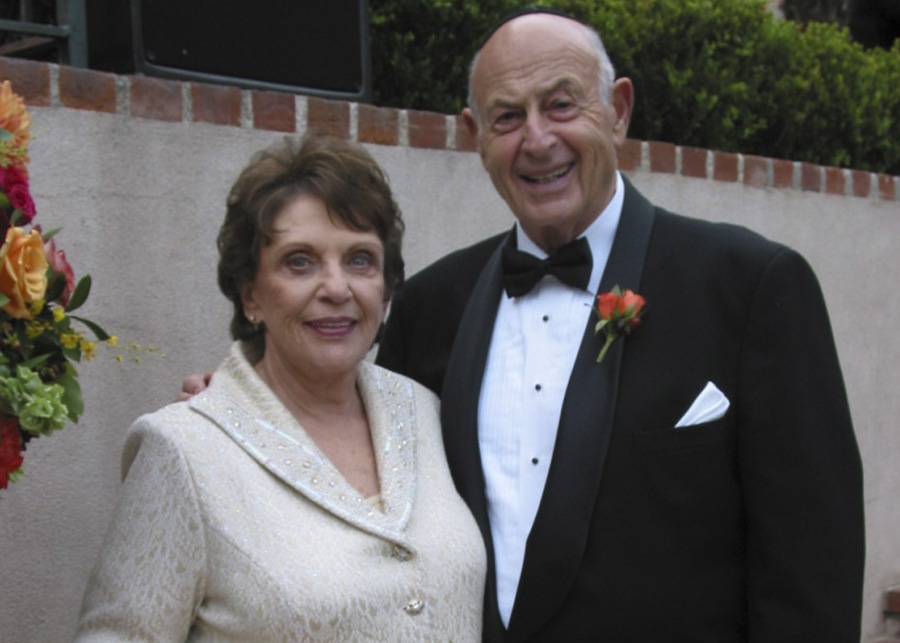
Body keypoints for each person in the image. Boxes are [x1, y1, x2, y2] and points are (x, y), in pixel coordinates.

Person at [375, 9, 865, 643]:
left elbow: (811, 559)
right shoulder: (430, 305)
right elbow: (365, 475)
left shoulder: (751, 286)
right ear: (476, 136)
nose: (537, 139)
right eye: (507, 117)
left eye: (560, 105)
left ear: (618, 110)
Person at [78, 134, 486, 641]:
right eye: (300, 261)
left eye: (360, 259)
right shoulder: (184, 452)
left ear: (385, 289)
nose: (336, 288)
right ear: (251, 294)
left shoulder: (424, 412)